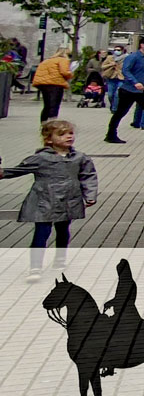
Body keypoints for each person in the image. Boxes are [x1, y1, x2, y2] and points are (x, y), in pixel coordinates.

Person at [8, 119, 98, 280]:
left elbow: (88, 176)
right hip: (44, 201)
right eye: (62, 134)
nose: (68, 137)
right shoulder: (41, 158)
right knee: (41, 232)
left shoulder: (79, 158)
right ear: (49, 139)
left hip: (68, 201)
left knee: (63, 230)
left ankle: (60, 258)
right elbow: (17, 170)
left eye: (70, 133)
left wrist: (90, 194)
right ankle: (35, 267)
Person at [105, 37, 144, 145]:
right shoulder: (133, 57)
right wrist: (135, 82)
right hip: (128, 90)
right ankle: (111, 134)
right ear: (142, 45)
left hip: (142, 91)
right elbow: (126, 70)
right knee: (120, 112)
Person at [32, 47, 74, 122]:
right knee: (54, 106)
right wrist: (71, 74)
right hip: (55, 84)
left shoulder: (47, 60)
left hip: (43, 84)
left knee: (47, 106)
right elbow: (64, 72)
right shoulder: (63, 60)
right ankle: (52, 124)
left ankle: (43, 124)